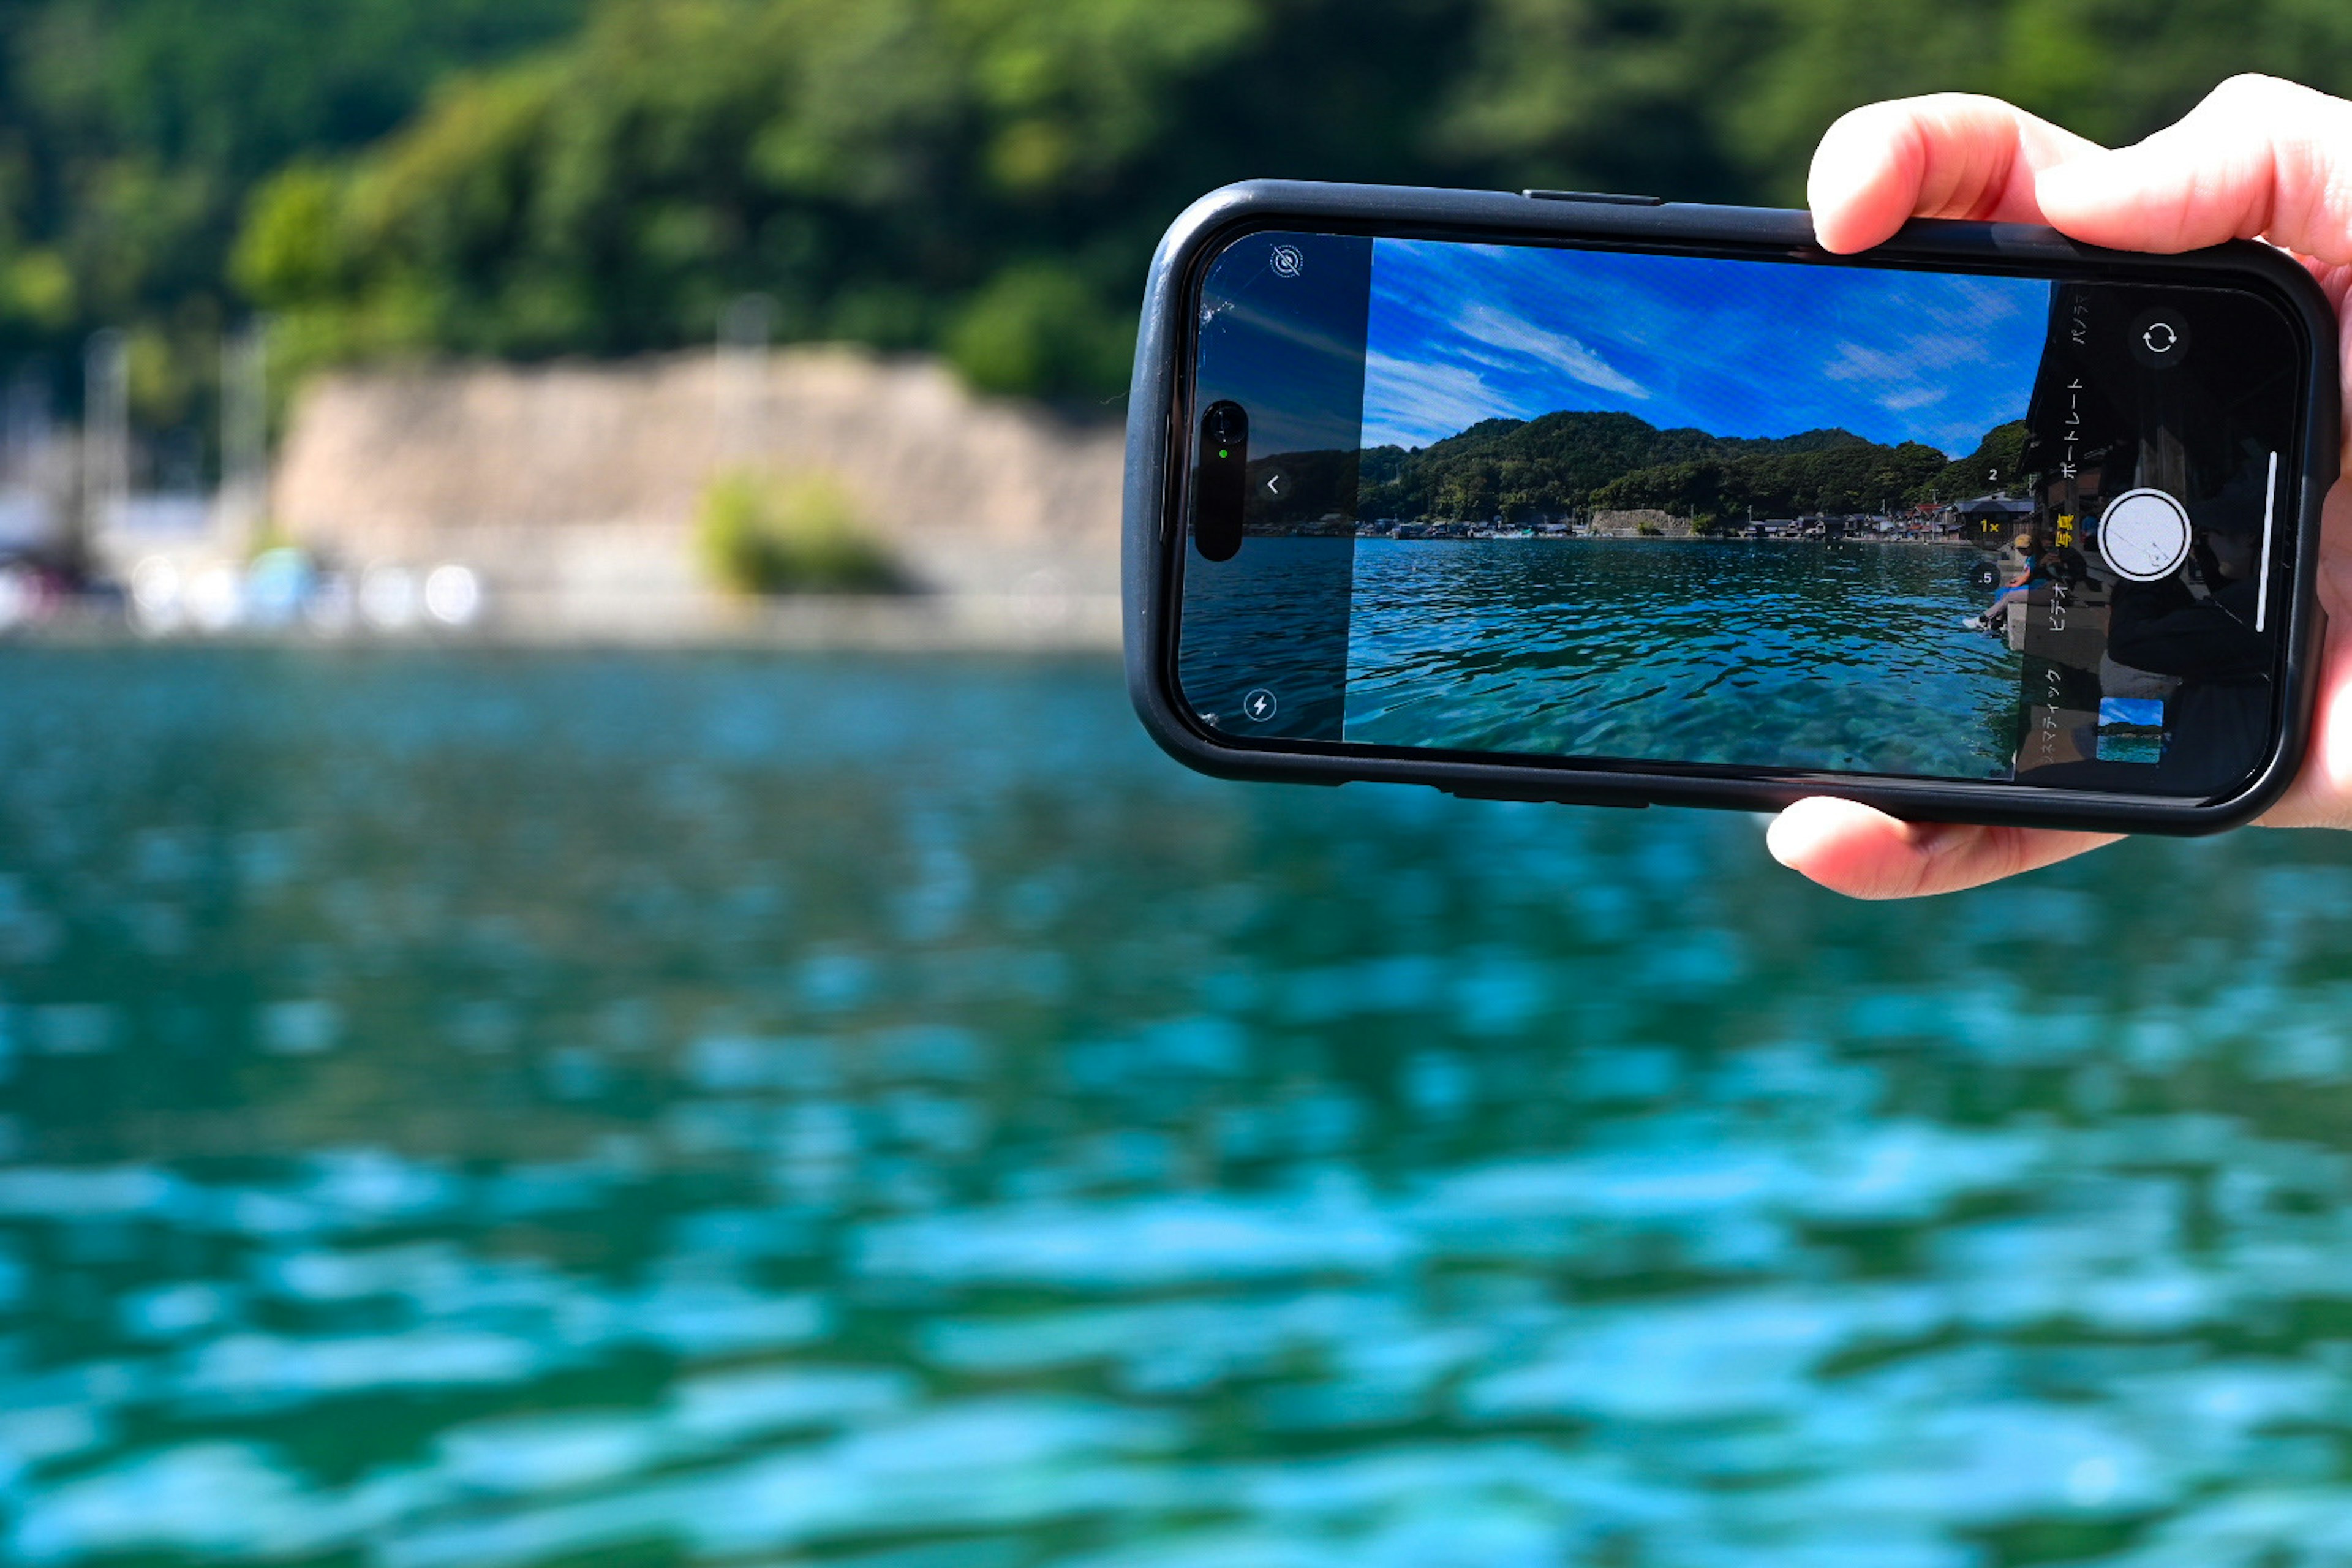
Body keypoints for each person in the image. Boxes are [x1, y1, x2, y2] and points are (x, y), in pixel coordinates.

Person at [1768, 76, 2352, 900]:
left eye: (2065, 492)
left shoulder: (2127, 593)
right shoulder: (2089, 568)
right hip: (2190, 674)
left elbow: (2123, 627)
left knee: (2113, 678)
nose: (2058, 505)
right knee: (2107, 700)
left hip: (2180, 661)